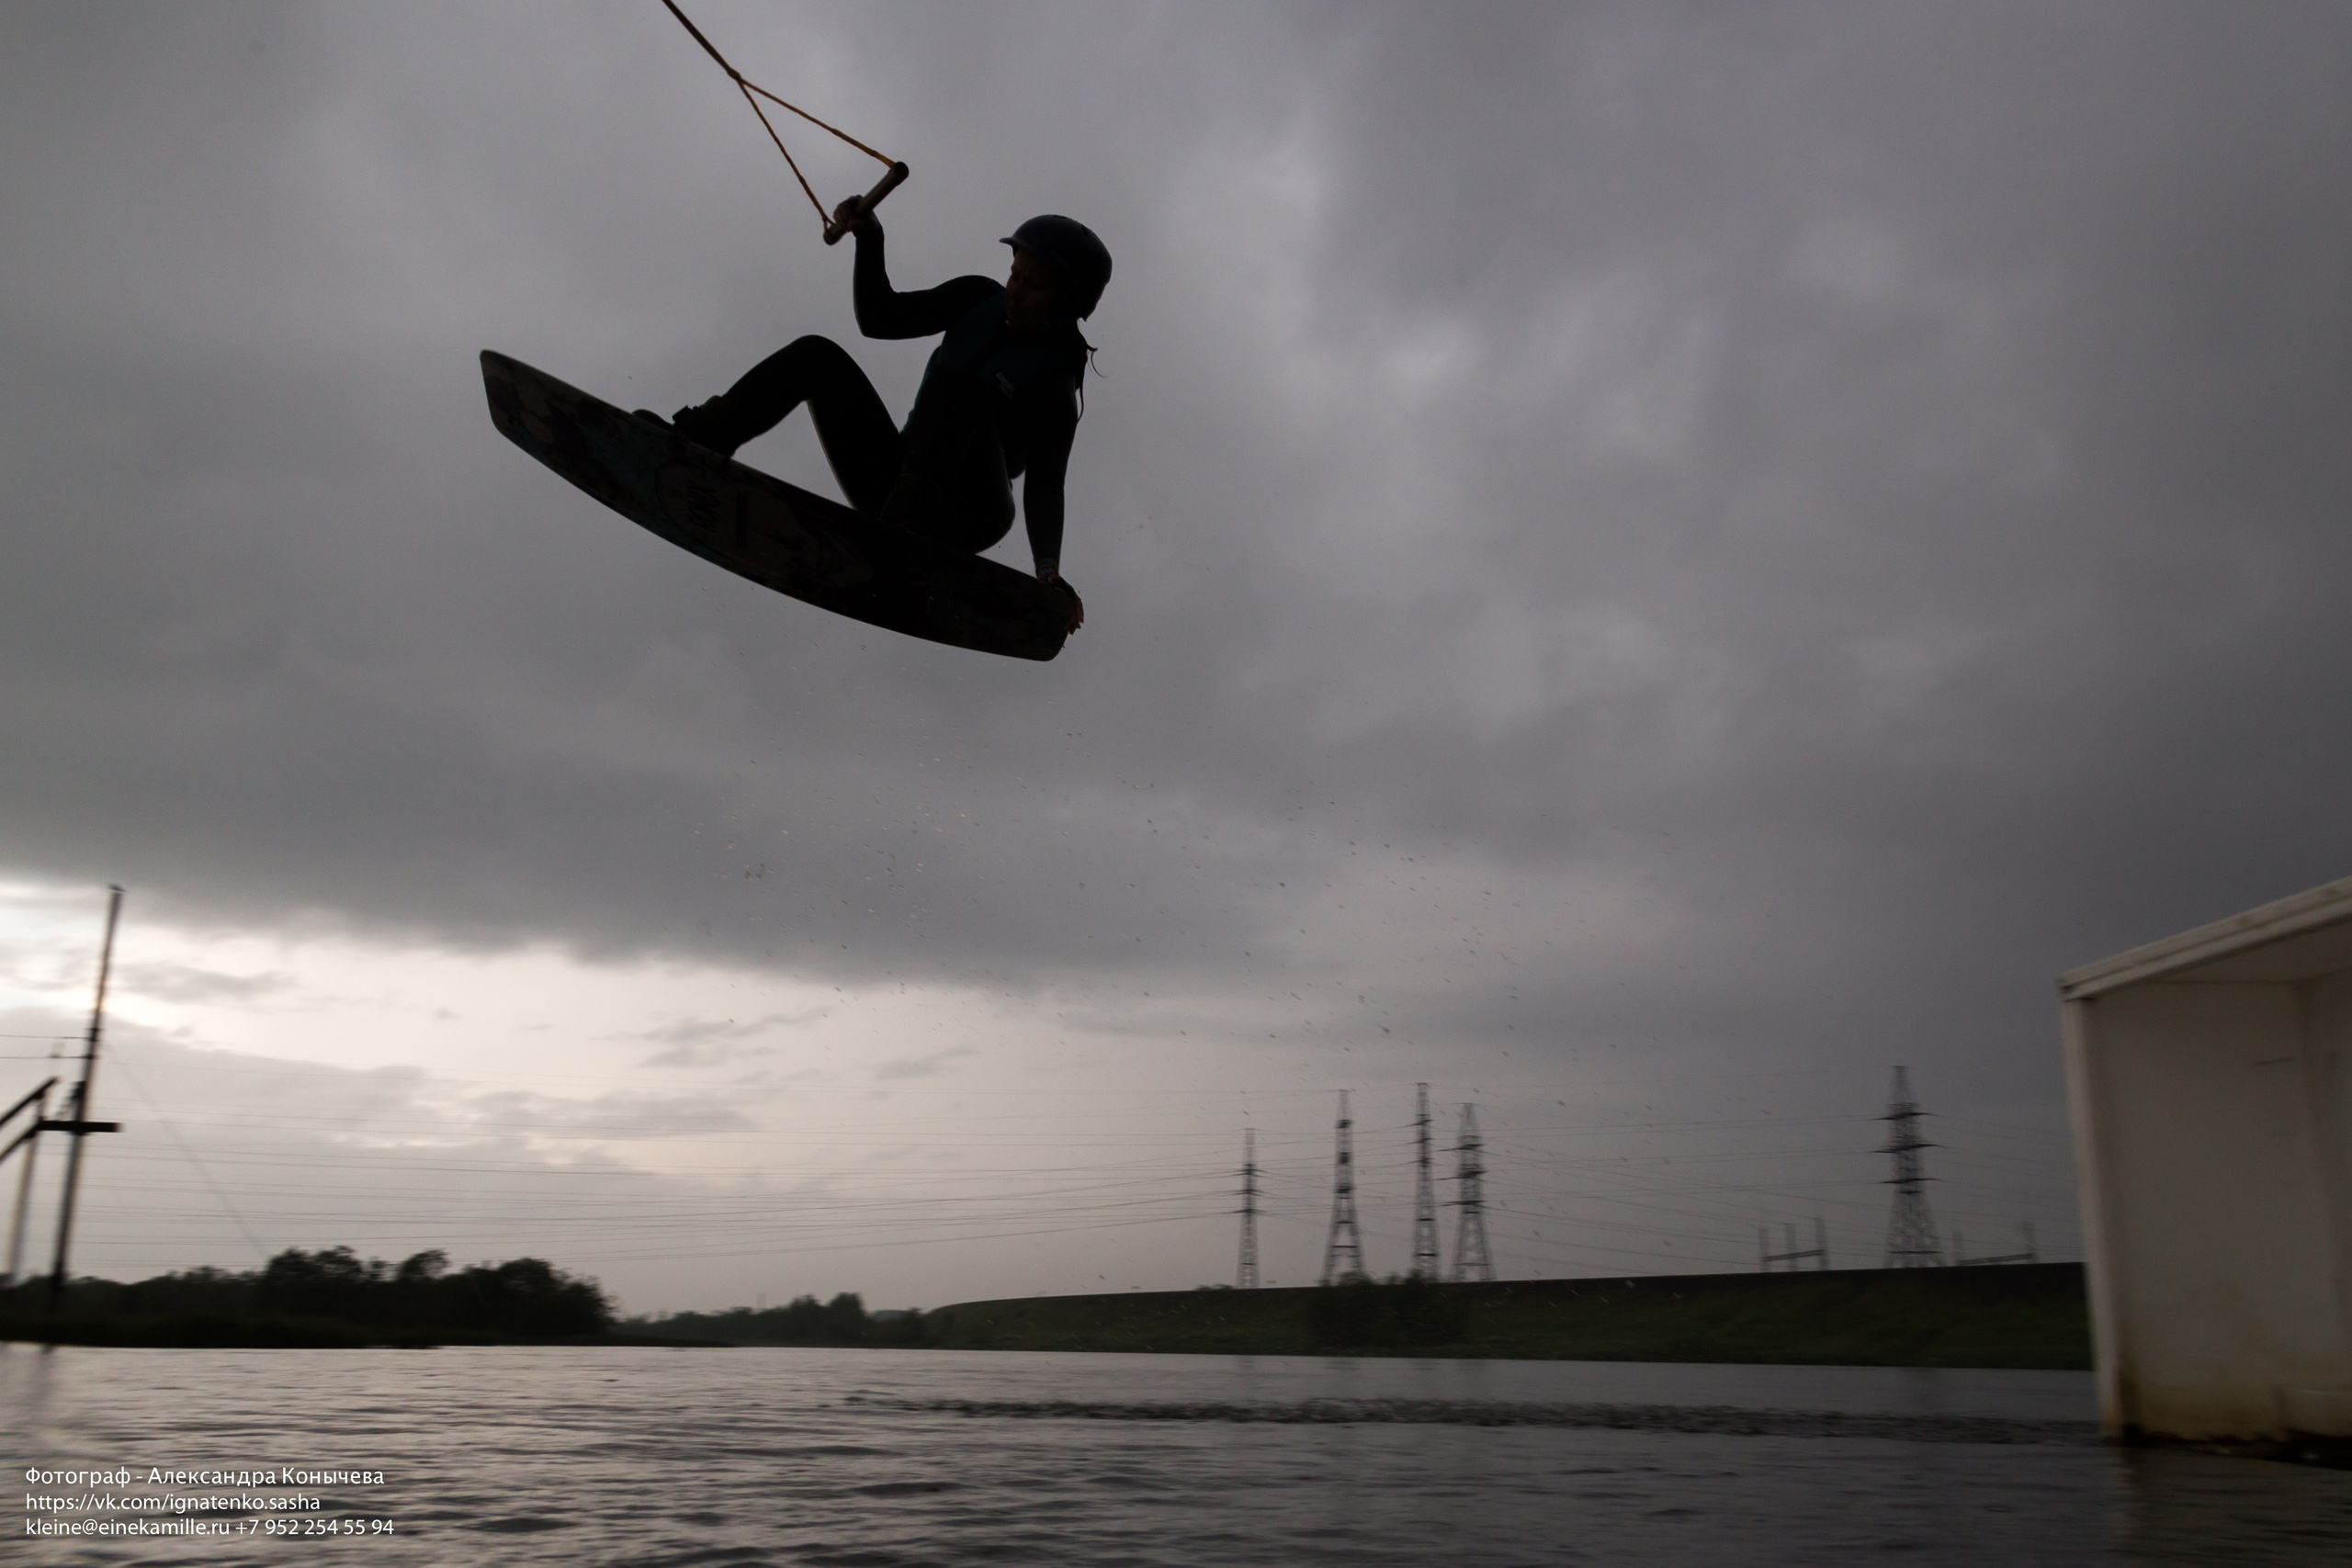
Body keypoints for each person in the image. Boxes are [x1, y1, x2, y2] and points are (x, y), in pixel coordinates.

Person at [644, 206, 1111, 634]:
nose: (1016, 292)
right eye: (1015, 275)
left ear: (1066, 302)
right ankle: (697, 440)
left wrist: (1048, 572)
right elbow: (879, 318)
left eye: (1036, 286)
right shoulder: (977, 298)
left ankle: (897, 546)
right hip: (894, 486)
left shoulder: (1054, 385)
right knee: (816, 356)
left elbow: (1045, 487)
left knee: (960, 385)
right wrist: (870, 237)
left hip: (970, 513)